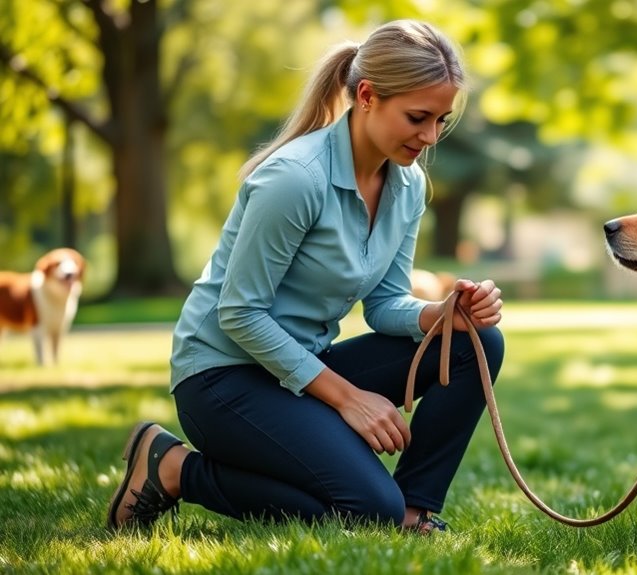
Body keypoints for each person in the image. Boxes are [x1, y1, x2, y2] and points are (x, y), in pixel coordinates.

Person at [106, 19, 505, 535]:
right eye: (417, 117)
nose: (429, 137)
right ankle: (176, 468)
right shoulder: (295, 179)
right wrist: (349, 398)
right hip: (223, 377)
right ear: (366, 96)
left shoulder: (406, 187)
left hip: (300, 371)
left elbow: (384, 303)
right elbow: (239, 313)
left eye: (440, 121)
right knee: (365, 510)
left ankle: (412, 510)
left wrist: (441, 313)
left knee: (476, 342)